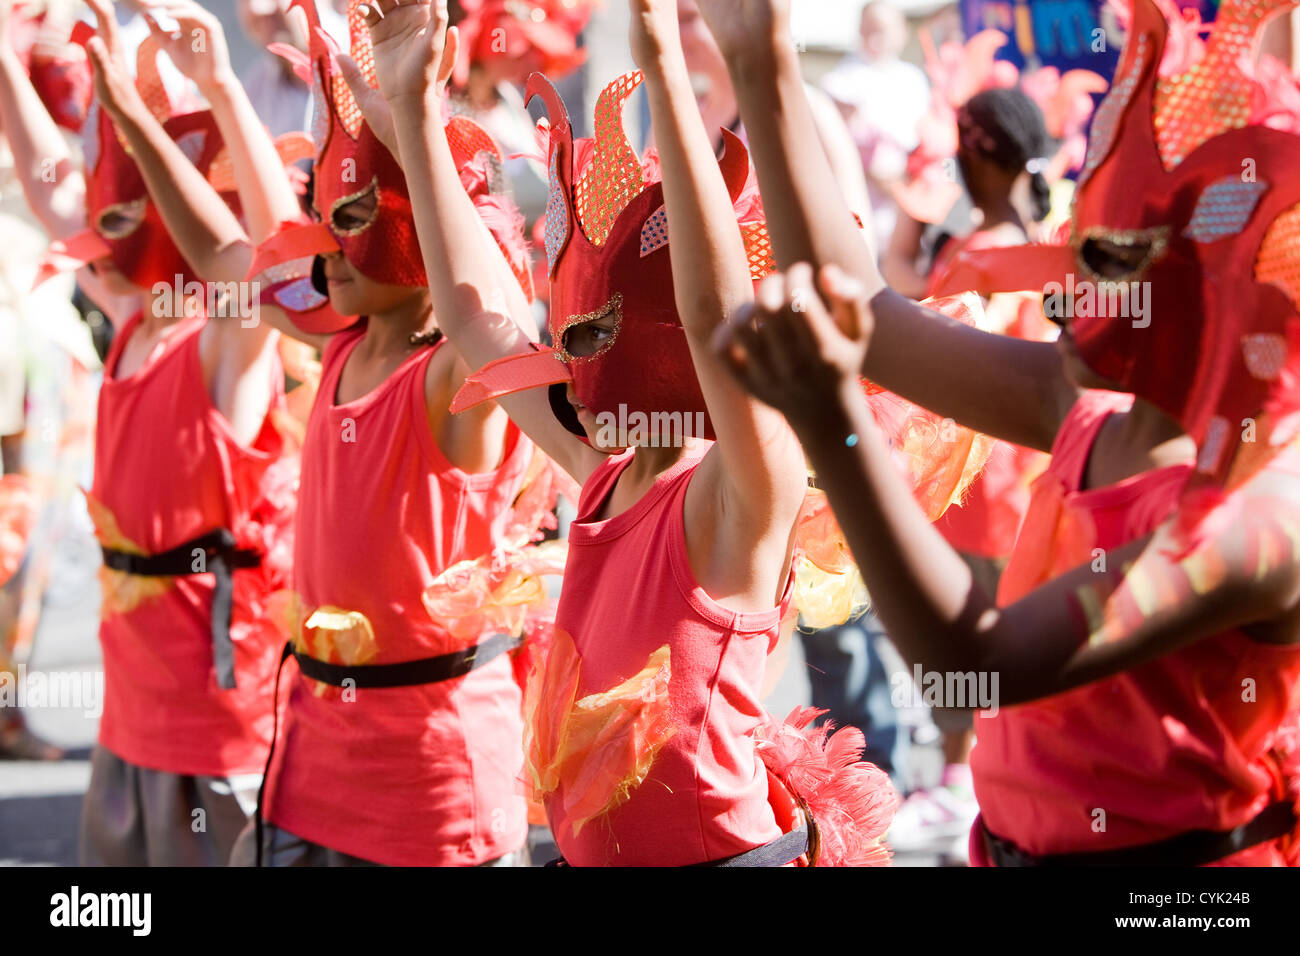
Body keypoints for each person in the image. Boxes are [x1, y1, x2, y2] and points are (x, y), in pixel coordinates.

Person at [705, 0, 1300, 865]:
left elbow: (976, 657)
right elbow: (857, 303)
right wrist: (761, 62)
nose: (1063, 285)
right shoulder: (1088, 410)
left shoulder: (1264, 518)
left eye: (1106, 262)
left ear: (1206, 297)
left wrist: (832, 420)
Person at [363, 0, 903, 865]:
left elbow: (708, 310)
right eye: (570, 331)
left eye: (602, 334)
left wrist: (664, 72)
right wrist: (413, 108)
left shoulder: (743, 490)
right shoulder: (601, 463)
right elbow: (475, 318)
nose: (574, 360)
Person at [112, 0, 551, 867]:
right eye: (327, 210)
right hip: (309, 761)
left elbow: (490, 310)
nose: (327, 241)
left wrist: (413, 120)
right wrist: (201, 92)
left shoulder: (453, 383)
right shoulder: (340, 336)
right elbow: (230, 257)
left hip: (428, 785)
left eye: (354, 219)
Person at [0, 0, 298, 864]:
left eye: (135, 204)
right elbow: (59, 194)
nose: (101, 224)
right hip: (129, 713)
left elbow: (264, 256)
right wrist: (9, 66)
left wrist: (214, 89)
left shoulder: (226, 338)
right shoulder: (132, 315)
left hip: (214, 726)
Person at [818, 0, 928, 254]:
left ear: (902, 33)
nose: (875, 38)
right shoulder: (841, 81)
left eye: (883, 29)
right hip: (859, 199)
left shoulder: (913, 79)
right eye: (869, 29)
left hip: (908, 202)